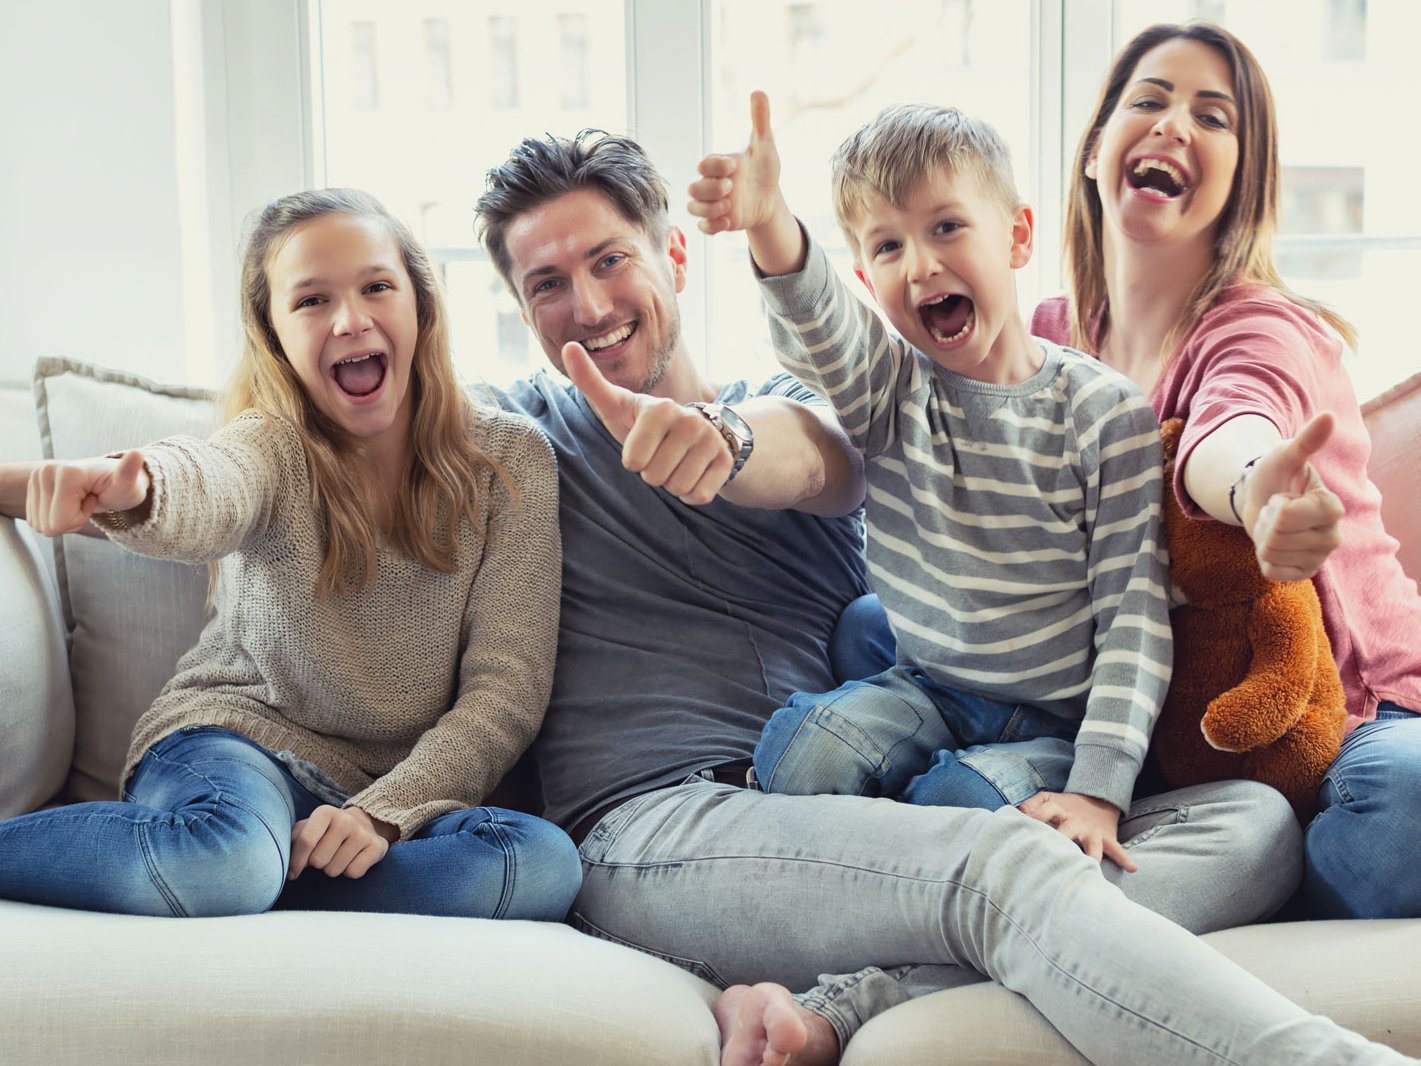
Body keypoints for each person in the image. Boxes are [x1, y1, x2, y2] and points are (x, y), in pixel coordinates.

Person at [472, 130, 1413, 1065]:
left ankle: (861, 998)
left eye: (608, 260)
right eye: (546, 284)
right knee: (1006, 866)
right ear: (517, 306)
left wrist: (722, 442)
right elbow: (376, 422)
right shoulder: (518, 434)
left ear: (672, 254)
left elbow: (807, 456)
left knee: (1249, 828)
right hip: (670, 825)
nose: (587, 304)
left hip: (880, 815)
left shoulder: (828, 403)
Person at [0, 188, 582, 921]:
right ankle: (247, 868)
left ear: (420, 307)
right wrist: (139, 485)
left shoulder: (511, 459)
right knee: (225, 856)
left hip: (401, 792)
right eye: (311, 301)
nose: (350, 320)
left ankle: (266, 879)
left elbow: (505, 692)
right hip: (242, 747)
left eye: (377, 287)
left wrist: (381, 814)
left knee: (536, 865)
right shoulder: (270, 446)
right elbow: (207, 485)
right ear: (274, 334)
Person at [697, 95, 1170, 870]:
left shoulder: (1104, 413)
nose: (919, 264)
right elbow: (822, 322)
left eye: (946, 227)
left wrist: (1099, 789)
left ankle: (906, 843)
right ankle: (882, 837)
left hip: (1051, 725)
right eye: (887, 247)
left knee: (961, 811)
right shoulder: (887, 389)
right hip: (927, 687)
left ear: (1016, 237)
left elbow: (1134, 620)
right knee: (799, 756)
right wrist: (768, 222)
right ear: (864, 274)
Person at [1025, 20, 1421, 921]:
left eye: (1213, 116)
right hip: (1169, 738)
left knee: (1405, 810)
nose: (1173, 125)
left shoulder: (1259, 328)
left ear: (1241, 182)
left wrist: (1255, 494)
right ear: (1094, 150)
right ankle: (1229, 857)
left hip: (1363, 720)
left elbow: (1229, 427)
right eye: (1150, 100)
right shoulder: (1042, 342)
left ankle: (1261, 864)